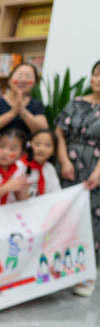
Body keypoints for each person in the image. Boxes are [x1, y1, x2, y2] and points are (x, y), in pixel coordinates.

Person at [56, 59, 100, 297]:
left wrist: (97, 172)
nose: (99, 79)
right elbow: (60, 134)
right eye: (96, 74)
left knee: (92, 220)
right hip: (69, 166)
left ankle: (86, 273)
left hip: (96, 170)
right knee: (64, 216)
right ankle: (57, 269)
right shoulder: (76, 103)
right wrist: (64, 161)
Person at [0, 63, 47, 154]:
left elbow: (43, 131)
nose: (23, 80)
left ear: (34, 83)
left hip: (24, 158)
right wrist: (12, 113)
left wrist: (23, 111)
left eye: (28, 76)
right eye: (19, 75)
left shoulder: (36, 104)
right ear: (9, 79)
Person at [22, 129, 60, 198]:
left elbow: (56, 193)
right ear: (28, 145)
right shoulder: (20, 166)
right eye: (37, 144)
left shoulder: (49, 168)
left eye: (48, 145)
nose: (41, 149)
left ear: (54, 151)